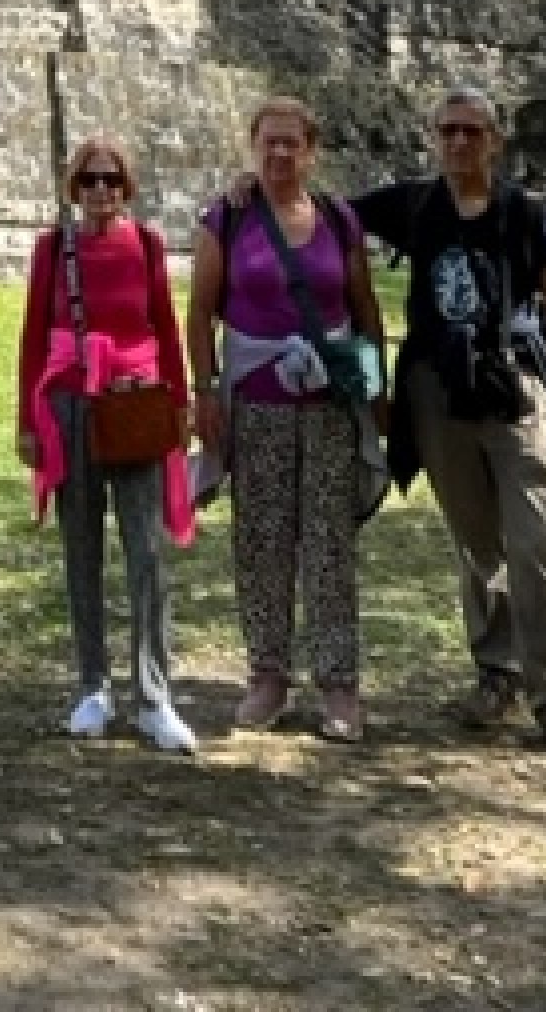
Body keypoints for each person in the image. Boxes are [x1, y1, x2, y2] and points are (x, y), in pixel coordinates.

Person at [352, 85, 546, 768]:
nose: (458, 143)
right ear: (432, 137)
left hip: (515, 390)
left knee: (534, 539)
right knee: (477, 541)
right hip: (439, 394)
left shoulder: (526, 212)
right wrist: (245, 189)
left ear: (494, 142)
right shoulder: (415, 204)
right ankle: (496, 672)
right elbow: (322, 217)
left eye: (471, 132)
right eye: (447, 131)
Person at [186, 96, 387, 743]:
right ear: (253, 146)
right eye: (268, 142)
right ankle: (268, 672)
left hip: (327, 402)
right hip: (258, 401)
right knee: (263, 539)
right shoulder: (229, 219)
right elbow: (200, 315)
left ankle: (339, 683)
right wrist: (205, 392)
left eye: (290, 143)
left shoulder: (337, 219)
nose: (279, 154)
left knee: (329, 540)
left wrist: (375, 393)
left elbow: (363, 308)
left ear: (311, 150)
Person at [15, 133, 198, 754]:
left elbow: (166, 330)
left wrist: (180, 402)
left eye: (111, 180)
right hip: (70, 404)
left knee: (146, 552)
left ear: (127, 187)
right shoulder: (53, 249)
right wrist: (28, 423)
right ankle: (93, 683)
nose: (100, 191)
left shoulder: (145, 244)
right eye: (90, 180)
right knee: (82, 549)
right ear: (75, 186)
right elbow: (34, 339)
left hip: (134, 404)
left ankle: (154, 694)